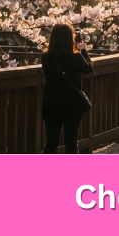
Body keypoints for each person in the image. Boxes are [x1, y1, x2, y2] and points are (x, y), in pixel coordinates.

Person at [41, 24, 94, 153]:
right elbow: (88, 69)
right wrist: (83, 50)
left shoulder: (46, 57)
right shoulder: (75, 57)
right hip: (72, 103)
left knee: (51, 141)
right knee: (71, 140)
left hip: (52, 102)